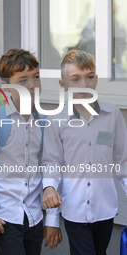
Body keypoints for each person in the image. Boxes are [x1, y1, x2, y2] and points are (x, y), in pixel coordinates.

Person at [0, 48, 62, 255]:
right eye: (22, 81)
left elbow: (50, 164)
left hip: (34, 215)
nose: (31, 85)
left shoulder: (44, 122)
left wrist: (51, 216)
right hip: (5, 216)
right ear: (6, 86)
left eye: (36, 77)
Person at [42, 49, 127, 255]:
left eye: (89, 78)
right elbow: (51, 164)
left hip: (105, 209)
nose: (84, 85)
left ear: (96, 80)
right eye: (75, 79)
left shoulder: (112, 114)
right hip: (74, 210)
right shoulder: (56, 120)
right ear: (63, 85)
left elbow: (123, 163)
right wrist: (52, 219)